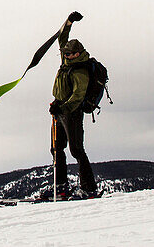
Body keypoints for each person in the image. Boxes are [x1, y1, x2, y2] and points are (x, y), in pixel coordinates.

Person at [49, 12, 98, 199]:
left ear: (79, 53)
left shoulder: (81, 70)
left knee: (76, 150)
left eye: (71, 53)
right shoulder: (67, 61)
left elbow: (78, 96)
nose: (68, 55)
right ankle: (60, 187)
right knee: (56, 148)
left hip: (72, 112)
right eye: (66, 53)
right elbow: (62, 38)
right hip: (59, 110)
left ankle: (89, 189)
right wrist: (69, 22)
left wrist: (62, 108)